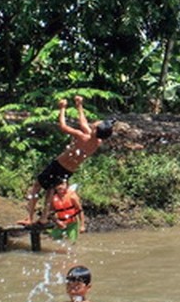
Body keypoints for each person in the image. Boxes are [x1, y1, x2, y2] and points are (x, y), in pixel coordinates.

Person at [23, 95, 113, 226]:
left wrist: (62, 108)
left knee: (37, 186)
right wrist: (79, 106)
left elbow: (63, 126)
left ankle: (29, 218)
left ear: (95, 130)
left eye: (97, 123)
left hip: (58, 165)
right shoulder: (96, 141)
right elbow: (83, 123)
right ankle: (43, 218)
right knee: (50, 191)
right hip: (69, 170)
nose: (95, 122)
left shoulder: (83, 136)